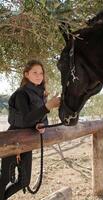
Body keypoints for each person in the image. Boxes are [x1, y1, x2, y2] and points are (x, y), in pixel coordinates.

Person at [0, 59, 60, 200]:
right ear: (26, 74)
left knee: (24, 181)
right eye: (35, 72)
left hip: (27, 141)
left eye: (41, 73)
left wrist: (41, 126)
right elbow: (26, 119)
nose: (39, 75)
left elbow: (39, 118)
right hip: (13, 139)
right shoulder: (21, 93)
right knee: (4, 180)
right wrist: (48, 107)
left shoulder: (41, 94)